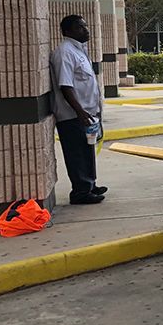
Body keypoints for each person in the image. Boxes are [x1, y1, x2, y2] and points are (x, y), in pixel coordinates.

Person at [51, 14, 106, 204]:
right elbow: (65, 85)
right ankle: (80, 192)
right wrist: (79, 111)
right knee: (76, 153)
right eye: (80, 27)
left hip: (87, 113)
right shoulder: (65, 52)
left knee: (87, 150)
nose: (86, 30)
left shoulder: (79, 50)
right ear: (68, 31)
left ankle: (90, 185)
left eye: (85, 26)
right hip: (73, 115)